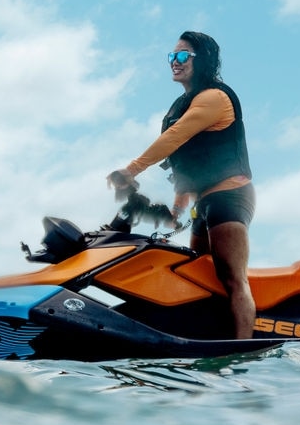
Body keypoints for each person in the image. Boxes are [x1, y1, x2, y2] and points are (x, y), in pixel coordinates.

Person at [107, 31, 257, 339]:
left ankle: (242, 348)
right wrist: (177, 209)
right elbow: (185, 168)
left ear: (203, 61)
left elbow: (174, 138)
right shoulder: (179, 106)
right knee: (198, 275)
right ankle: (205, 336)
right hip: (204, 202)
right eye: (171, 57)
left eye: (182, 56)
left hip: (230, 195)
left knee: (232, 278)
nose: (174, 63)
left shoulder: (215, 98)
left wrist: (131, 170)